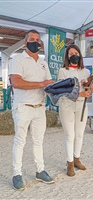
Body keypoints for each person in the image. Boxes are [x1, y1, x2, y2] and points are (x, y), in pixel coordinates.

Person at [8, 29, 55, 191]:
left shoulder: (43, 62)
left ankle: (40, 170)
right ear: (25, 42)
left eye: (38, 40)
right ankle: (17, 174)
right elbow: (16, 82)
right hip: (23, 107)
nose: (35, 42)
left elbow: (49, 82)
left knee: (38, 140)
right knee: (20, 140)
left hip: (40, 107)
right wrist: (41, 84)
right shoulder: (17, 59)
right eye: (32, 39)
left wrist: (59, 87)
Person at [58, 44, 93, 176]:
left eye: (76, 53)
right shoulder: (63, 71)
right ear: (67, 57)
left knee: (79, 134)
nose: (73, 55)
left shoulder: (85, 72)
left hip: (82, 105)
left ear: (80, 55)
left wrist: (91, 88)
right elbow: (62, 91)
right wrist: (80, 94)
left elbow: (88, 89)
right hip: (66, 105)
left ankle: (77, 159)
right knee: (70, 135)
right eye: (70, 53)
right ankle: (69, 163)